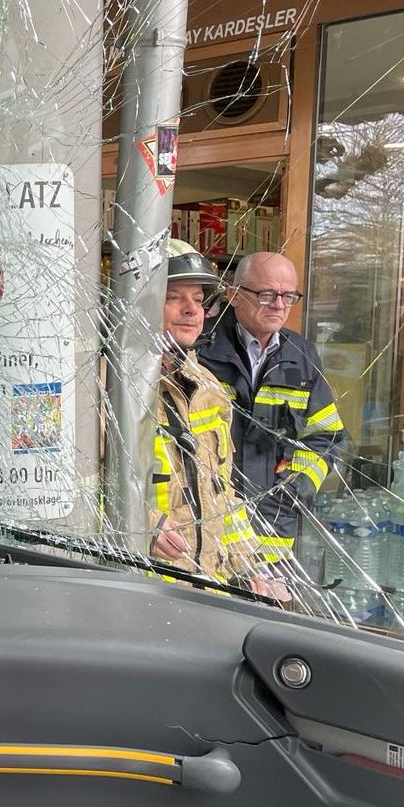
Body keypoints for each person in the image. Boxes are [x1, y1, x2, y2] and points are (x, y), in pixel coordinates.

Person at [149, 242, 280, 601]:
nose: (192, 310)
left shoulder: (209, 388)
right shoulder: (110, 387)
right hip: (141, 591)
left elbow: (222, 493)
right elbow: (86, 492)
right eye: (173, 297)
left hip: (208, 591)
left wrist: (251, 567)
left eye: (198, 299)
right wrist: (143, 525)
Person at [199, 251, 346, 566]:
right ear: (234, 294)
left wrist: (294, 489)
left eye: (288, 296)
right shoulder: (198, 346)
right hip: (205, 531)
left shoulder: (301, 355)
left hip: (273, 533)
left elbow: (326, 435)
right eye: (266, 295)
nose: (279, 306)